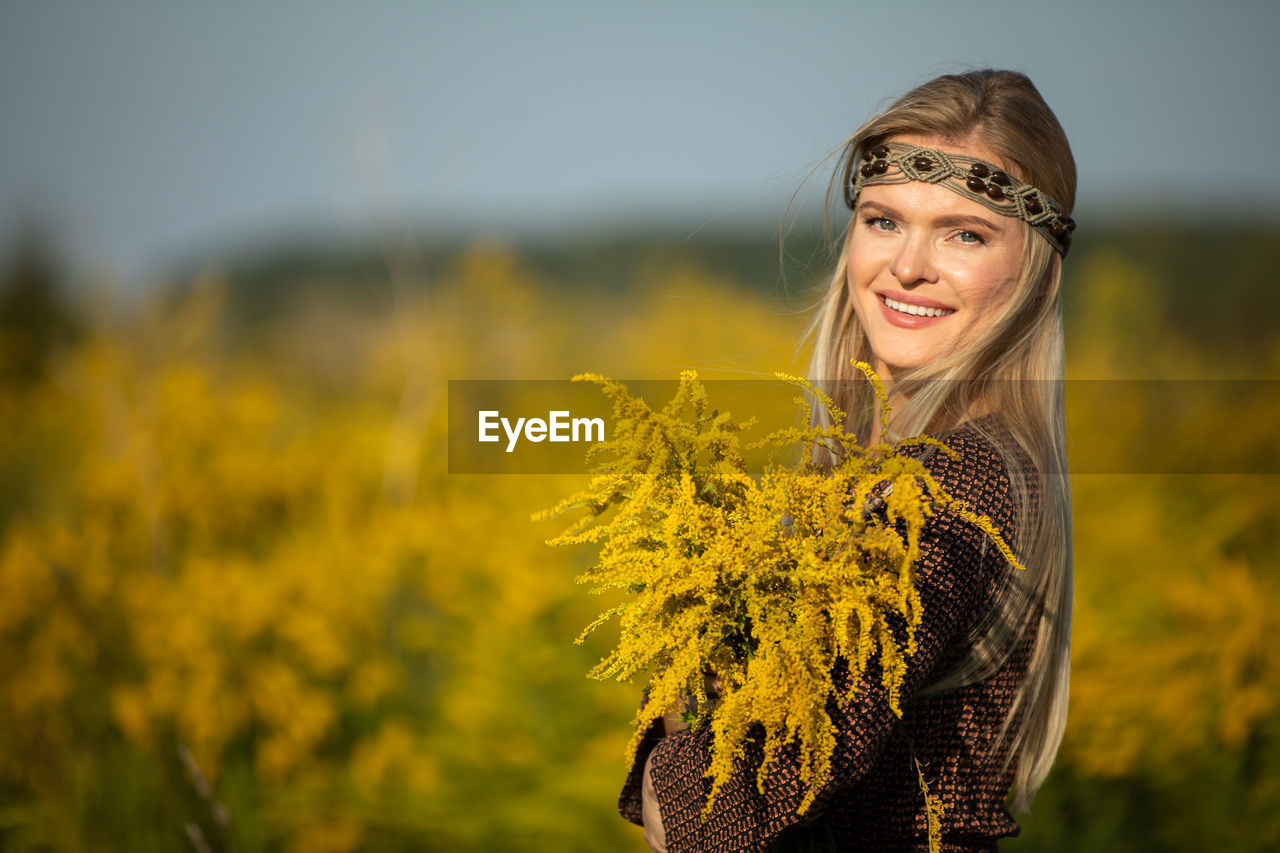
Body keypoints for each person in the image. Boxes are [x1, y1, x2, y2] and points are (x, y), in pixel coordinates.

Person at [618, 69, 1076, 852]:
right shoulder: (881, 468)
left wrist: (681, 677)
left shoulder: (951, 484)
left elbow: (715, 825)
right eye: (884, 220)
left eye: (966, 233)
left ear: (1031, 270)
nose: (907, 267)